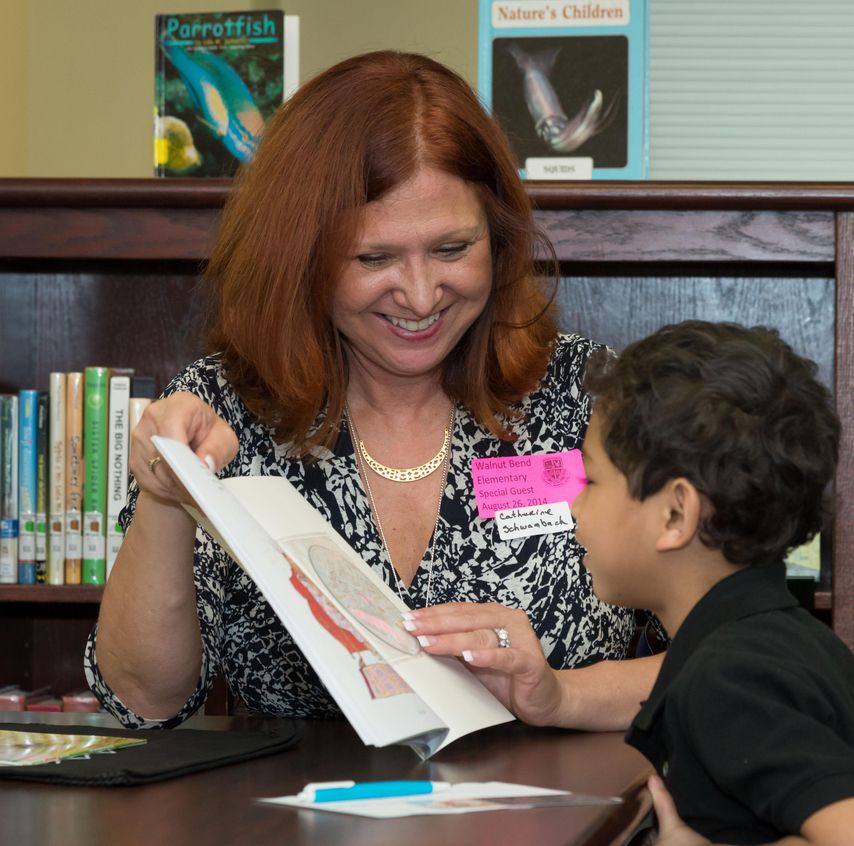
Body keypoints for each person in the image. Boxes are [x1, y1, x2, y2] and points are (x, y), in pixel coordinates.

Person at [84, 50, 662, 729]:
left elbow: (724, 658)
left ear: (500, 240)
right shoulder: (224, 408)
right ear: (299, 258)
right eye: (373, 258)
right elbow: (143, 702)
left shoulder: (591, 397)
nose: (420, 296)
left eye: (451, 249)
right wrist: (165, 496)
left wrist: (562, 698)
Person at [563, 320, 854, 844]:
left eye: (592, 480)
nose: (574, 505)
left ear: (676, 514)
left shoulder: (729, 677)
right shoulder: (782, 641)